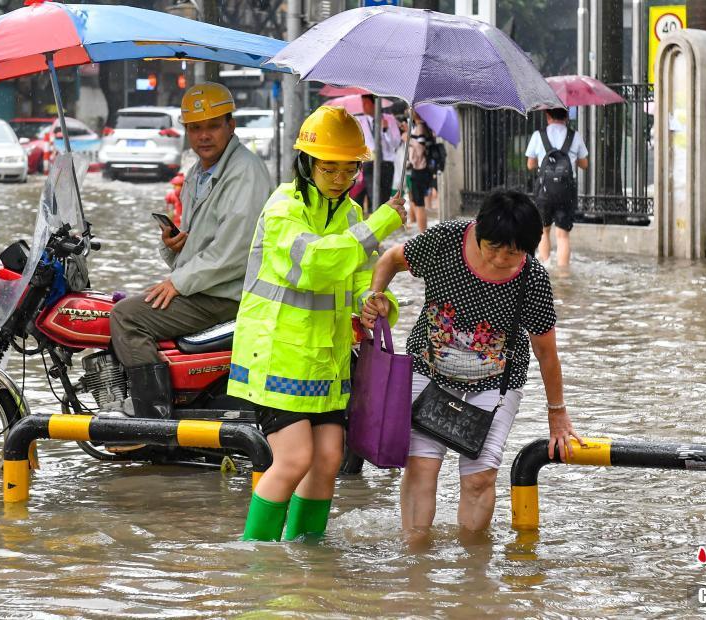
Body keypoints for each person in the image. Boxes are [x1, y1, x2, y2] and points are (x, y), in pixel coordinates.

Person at [231, 106, 407, 542]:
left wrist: (375, 301)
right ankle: (257, 557)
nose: (340, 178)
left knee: (328, 459)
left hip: (327, 362)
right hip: (278, 357)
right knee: (294, 460)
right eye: (329, 168)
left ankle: (307, 557)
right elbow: (313, 265)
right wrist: (381, 222)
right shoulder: (283, 208)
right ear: (307, 162)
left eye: (349, 169)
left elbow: (360, 276)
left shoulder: (350, 215)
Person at [362, 189, 582, 535]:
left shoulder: (533, 278)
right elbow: (391, 259)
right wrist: (374, 296)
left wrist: (557, 413)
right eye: (492, 247)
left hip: (496, 383)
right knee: (421, 468)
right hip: (429, 369)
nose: (499, 259)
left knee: (480, 477)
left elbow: (546, 353)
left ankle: (473, 560)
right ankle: (415, 557)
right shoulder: (445, 240)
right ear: (478, 230)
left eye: (512, 253)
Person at [108, 83, 273, 419]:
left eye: (213, 126)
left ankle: (152, 422)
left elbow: (235, 251)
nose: (204, 136)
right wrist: (174, 246)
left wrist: (178, 282)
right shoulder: (199, 171)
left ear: (231, 125)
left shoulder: (245, 172)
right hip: (207, 285)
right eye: (195, 128)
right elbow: (206, 241)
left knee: (126, 316)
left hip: (225, 293)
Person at [525, 108, 588, 269]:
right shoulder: (574, 136)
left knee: (544, 230)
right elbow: (584, 164)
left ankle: (544, 268)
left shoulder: (538, 135)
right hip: (566, 191)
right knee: (563, 235)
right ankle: (563, 274)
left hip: (544, 191)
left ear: (547, 116)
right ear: (566, 116)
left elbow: (530, 164)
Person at [354, 94, 401, 212]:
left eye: (366, 103)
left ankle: (381, 217)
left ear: (375, 103)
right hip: (369, 163)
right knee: (374, 196)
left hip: (386, 163)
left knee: (384, 197)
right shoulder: (360, 121)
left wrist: (386, 130)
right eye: (362, 103)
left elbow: (396, 143)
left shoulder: (389, 119)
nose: (363, 106)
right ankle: (375, 215)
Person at [407, 111, 435, 233]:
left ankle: (422, 233)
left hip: (420, 169)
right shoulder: (424, 127)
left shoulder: (420, 127)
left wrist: (408, 140)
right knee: (417, 201)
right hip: (422, 169)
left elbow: (420, 150)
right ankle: (422, 231)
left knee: (419, 203)